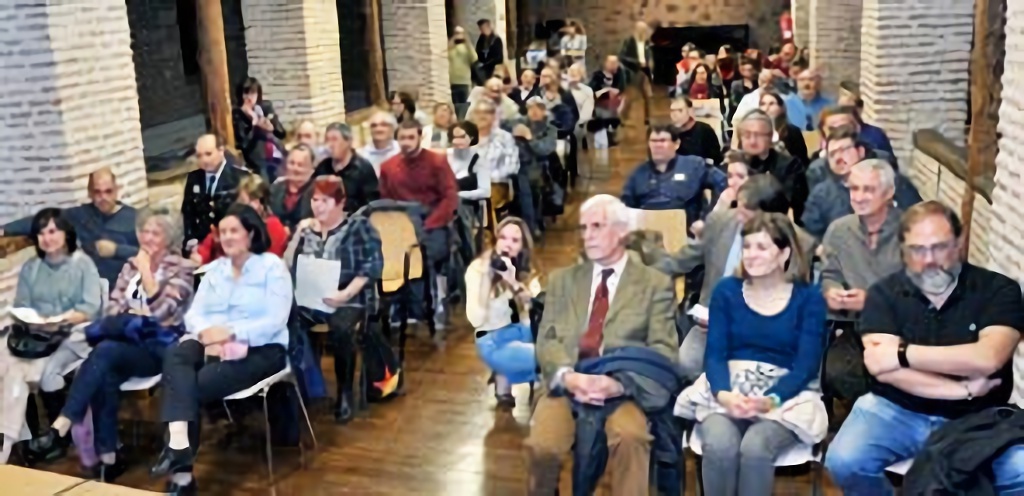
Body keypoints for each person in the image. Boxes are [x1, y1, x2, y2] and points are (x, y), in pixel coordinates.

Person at [825, 201, 1024, 495]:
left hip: (977, 418)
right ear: (904, 251)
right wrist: (963, 389)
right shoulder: (883, 294)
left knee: (1020, 472)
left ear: (958, 244)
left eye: (940, 247)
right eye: (918, 249)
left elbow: (988, 358)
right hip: (896, 407)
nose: (930, 259)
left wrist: (901, 354)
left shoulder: (998, 290)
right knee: (844, 460)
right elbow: (884, 371)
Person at [523, 194, 678, 495]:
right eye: (583, 228)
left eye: (597, 226)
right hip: (567, 383)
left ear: (621, 231)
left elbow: (664, 351)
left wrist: (618, 386)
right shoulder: (562, 280)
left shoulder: (653, 284)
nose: (587, 235)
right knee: (542, 447)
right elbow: (548, 339)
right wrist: (569, 377)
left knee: (631, 438)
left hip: (625, 389)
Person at [25, 207, 194, 480]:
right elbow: (113, 312)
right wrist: (137, 315)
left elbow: (165, 314)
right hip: (127, 344)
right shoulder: (130, 266)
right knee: (105, 359)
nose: (147, 238)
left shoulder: (183, 269)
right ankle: (104, 454)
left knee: (104, 355)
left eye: (156, 233)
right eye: (144, 231)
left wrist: (147, 276)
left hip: (161, 350)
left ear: (169, 237)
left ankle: (66, 430)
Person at [675, 212, 827, 496]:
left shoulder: (809, 299)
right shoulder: (727, 292)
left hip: (785, 391)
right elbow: (716, 355)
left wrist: (771, 399)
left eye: (761, 247)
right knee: (720, 443)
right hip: (729, 384)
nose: (751, 255)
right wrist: (724, 394)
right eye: (747, 247)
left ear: (784, 254)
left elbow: (805, 365)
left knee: (756, 447)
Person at [149, 204, 293, 494]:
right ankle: (178, 446)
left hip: (263, 349)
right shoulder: (215, 270)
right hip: (213, 344)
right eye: (222, 232)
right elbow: (193, 313)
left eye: (233, 231)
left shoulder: (272, 267)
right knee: (176, 356)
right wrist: (207, 334)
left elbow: (276, 320)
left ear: (250, 233)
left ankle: (182, 475)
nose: (226, 237)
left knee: (192, 384)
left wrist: (233, 333)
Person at [655, 175, 817, 380]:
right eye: (738, 208)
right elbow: (686, 258)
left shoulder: (799, 243)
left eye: (746, 215)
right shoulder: (720, 222)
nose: (739, 218)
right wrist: (641, 271)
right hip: (710, 323)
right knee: (686, 364)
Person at [0, 209, 101, 465]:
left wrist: (58, 320)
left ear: (66, 234)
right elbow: (23, 305)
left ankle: (51, 437)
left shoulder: (82, 264)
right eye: (41, 233)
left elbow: (90, 309)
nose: (47, 238)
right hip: (39, 334)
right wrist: (32, 320)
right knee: (8, 364)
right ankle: (23, 437)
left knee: (36, 373)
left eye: (53, 231)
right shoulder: (31, 267)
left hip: (73, 332)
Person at [289, 176, 383, 423]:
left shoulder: (358, 226)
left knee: (341, 329)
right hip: (312, 297)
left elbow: (371, 266)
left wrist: (344, 294)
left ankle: (344, 393)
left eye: (325, 201)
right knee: (288, 322)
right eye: (315, 200)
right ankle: (307, 387)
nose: (318, 206)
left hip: (350, 297)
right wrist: (298, 233)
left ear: (340, 203)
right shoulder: (307, 230)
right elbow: (288, 264)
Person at [819, 159, 905, 402]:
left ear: (889, 192)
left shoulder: (908, 231)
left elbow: (921, 290)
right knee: (837, 372)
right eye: (854, 189)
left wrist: (872, 301)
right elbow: (830, 274)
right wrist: (832, 291)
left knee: (890, 373)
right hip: (852, 325)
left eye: (868, 189)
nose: (859, 197)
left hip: (901, 327)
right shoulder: (839, 231)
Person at [379, 119, 460, 325]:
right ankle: (399, 303)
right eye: (402, 138)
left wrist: (430, 225)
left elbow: (450, 197)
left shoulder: (437, 162)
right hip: (402, 224)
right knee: (387, 254)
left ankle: (425, 303)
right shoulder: (388, 167)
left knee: (421, 254)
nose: (406, 142)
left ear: (420, 137)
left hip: (433, 223)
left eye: (410, 137)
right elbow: (386, 202)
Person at [0, 168, 138, 286]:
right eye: (97, 192)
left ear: (116, 191)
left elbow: (153, 255)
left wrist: (117, 250)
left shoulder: (134, 218)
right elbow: (45, 220)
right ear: (90, 193)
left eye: (108, 191)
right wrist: (4, 230)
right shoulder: (81, 215)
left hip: (124, 289)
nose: (103, 197)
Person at [466, 217, 538, 407]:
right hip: (492, 340)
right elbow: (475, 319)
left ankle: (504, 380)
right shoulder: (477, 270)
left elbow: (535, 307)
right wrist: (487, 281)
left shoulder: (519, 269)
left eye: (515, 241)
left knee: (557, 336)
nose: (507, 245)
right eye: (503, 238)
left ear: (522, 247)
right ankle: (505, 372)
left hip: (516, 331)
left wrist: (513, 282)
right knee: (549, 357)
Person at [621, 124, 725, 229]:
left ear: (676, 144)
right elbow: (626, 208)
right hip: (649, 234)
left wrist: (707, 218)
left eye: (662, 141)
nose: (657, 145)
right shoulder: (638, 174)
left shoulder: (694, 165)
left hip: (687, 233)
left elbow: (723, 184)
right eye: (653, 141)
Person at [192, 175, 288, 264]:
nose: (245, 206)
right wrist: (199, 257)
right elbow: (204, 250)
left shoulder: (273, 226)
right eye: (242, 201)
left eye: (252, 201)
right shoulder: (232, 221)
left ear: (263, 203)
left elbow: (265, 262)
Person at [182, 134, 249, 254]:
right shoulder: (194, 179)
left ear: (221, 151)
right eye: (199, 156)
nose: (204, 160)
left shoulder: (239, 178)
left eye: (208, 154)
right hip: (201, 244)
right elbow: (188, 213)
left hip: (230, 241)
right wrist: (190, 239)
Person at [735, 110, 807, 223]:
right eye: (747, 135)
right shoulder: (732, 166)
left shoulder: (790, 165)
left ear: (770, 137)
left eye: (758, 135)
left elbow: (791, 204)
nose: (752, 141)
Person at [314, 123, 380, 213]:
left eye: (334, 139)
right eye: (327, 140)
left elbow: (372, 204)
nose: (329, 145)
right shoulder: (323, 167)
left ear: (348, 141)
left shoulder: (363, 168)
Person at [233, 77, 287, 181]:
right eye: (246, 93)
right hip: (257, 156)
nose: (249, 98)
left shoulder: (265, 106)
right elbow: (243, 143)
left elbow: (282, 134)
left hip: (275, 148)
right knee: (266, 173)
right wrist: (254, 123)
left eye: (253, 93)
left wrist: (273, 126)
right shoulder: (237, 114)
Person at [269, 144, 316, 232]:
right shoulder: (276, 188)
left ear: (312, 168)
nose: (295, 168)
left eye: (300, 165)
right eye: (292, 163)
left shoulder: (319, 192)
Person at [670, 97, 723, 165]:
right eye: (672, 111)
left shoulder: (705, 130)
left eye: (680, 110)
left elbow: (716, 159)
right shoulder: (670, 133)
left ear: (690, 111)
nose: (675, 115)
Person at [759, 91, 808, 167]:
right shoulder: (752, 130)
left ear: (781, 108)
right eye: (762, 104)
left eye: (771, 104)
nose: (766, 108)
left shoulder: (792, 131)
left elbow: (801, 159)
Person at [360, 111, 401, 177]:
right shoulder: (362, 155)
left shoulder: (402, 150)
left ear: (393, 128)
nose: (378, 129)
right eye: (374, 126)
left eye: (384, 125)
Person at [448, 26, 478, 104]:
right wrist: (452, 40)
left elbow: (474, 58)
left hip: (464, 80)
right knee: (456, 104)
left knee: (465, 103)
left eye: (460, 33)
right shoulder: (451, 47)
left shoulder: (467, 47)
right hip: (453, 80)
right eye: (456, 33)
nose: (458, 35)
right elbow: (444, 55)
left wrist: (467, 42)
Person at [475, 19, 505, 83]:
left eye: (483, 28)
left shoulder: (496, 39)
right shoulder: (481, 39)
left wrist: (488, 63)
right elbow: (478, 50)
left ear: (488, 27)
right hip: (484, 67)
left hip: (493, 67)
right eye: (481, 29)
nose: (482, 30)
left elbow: (499, 56)